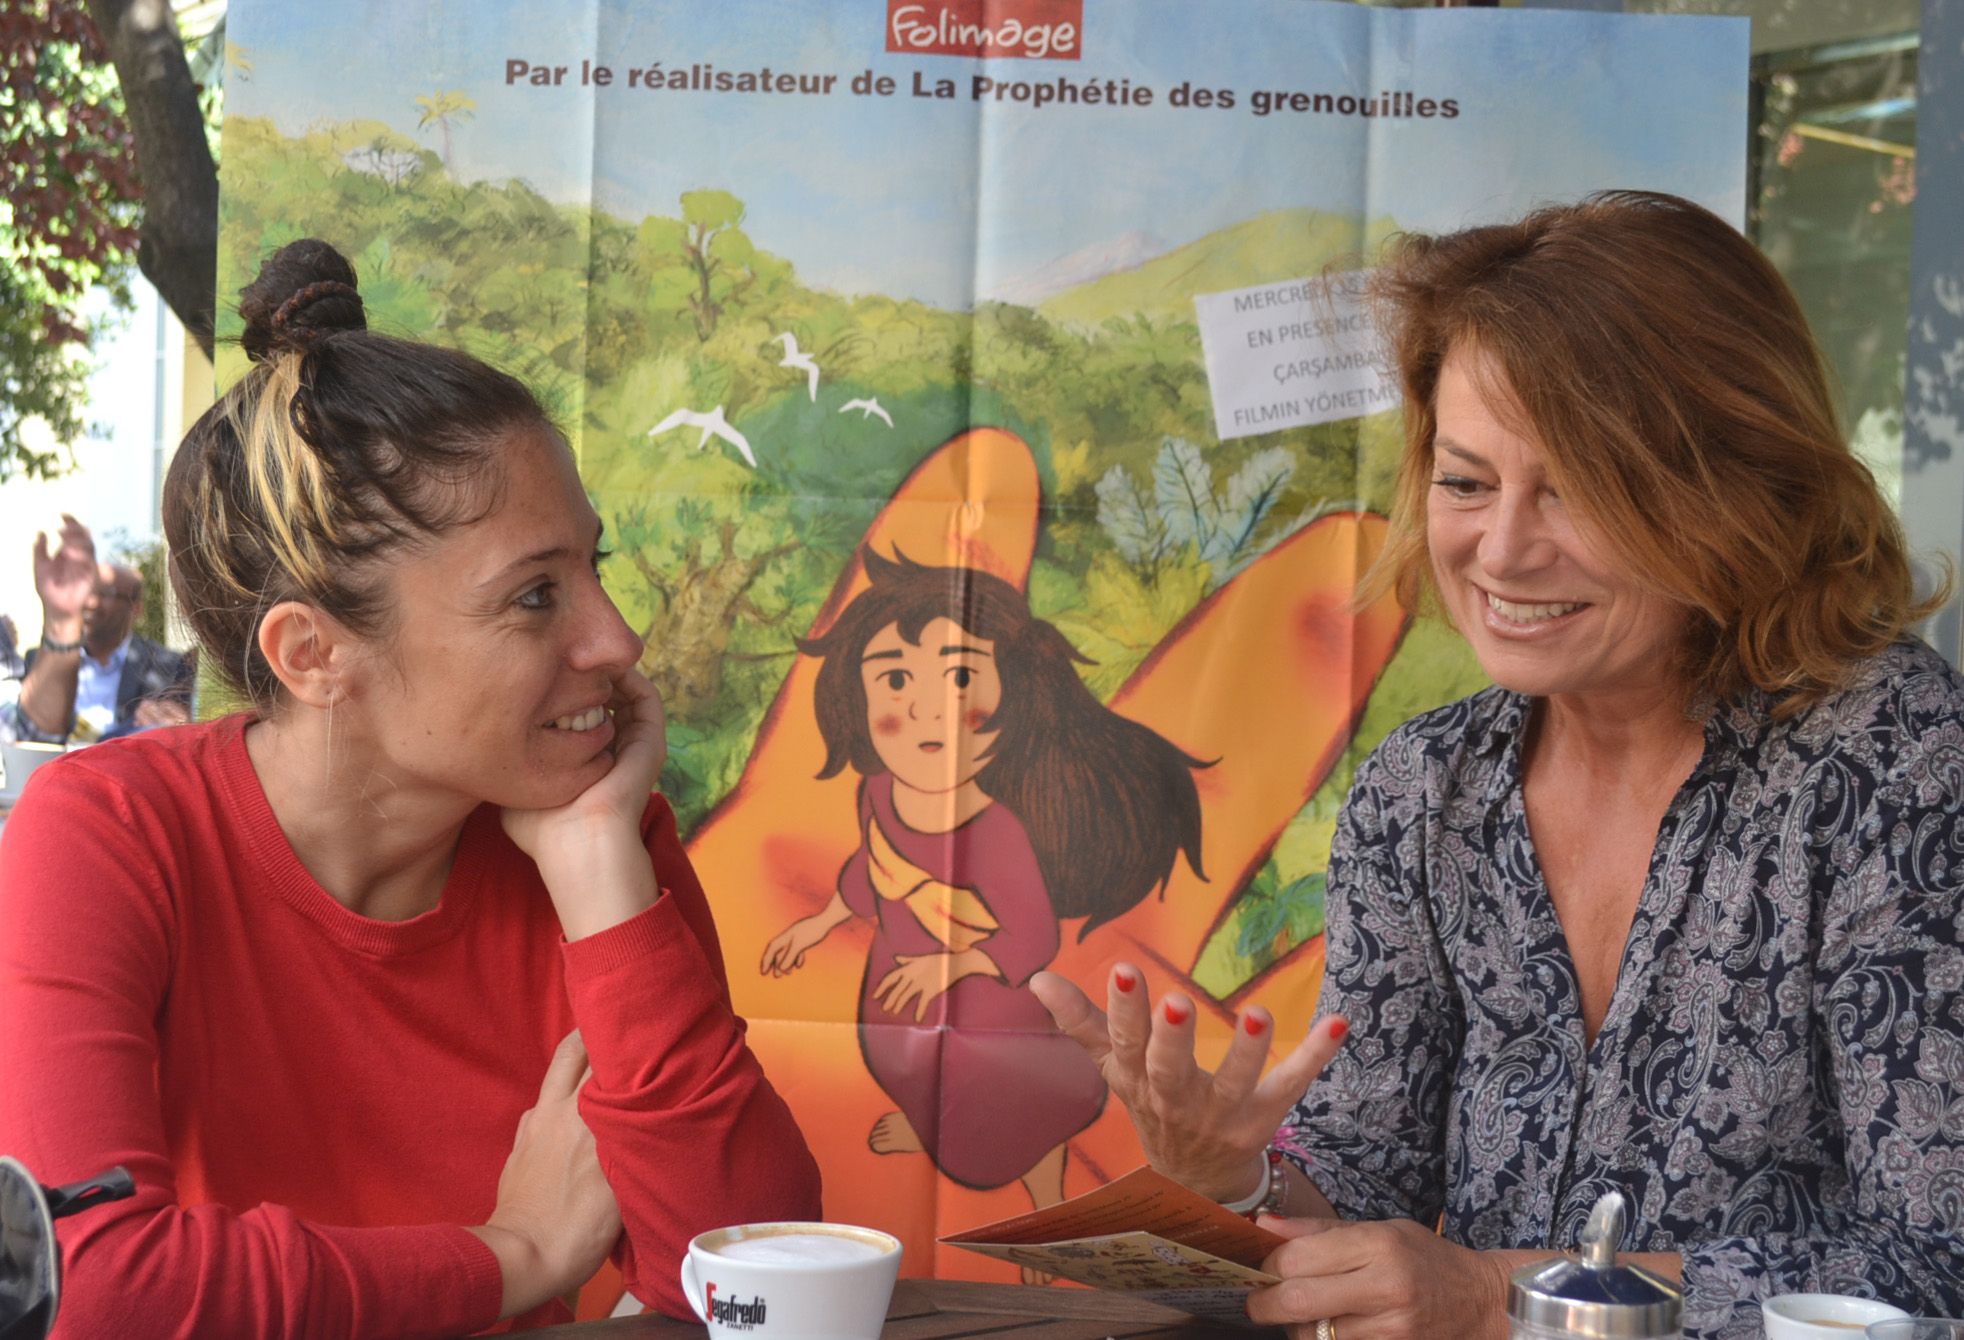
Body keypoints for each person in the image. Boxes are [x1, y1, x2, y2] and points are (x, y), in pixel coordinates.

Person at [1032, 190, 1964, 1340]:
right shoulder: (1421, 787)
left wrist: (1495, 1297)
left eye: (1575, 488)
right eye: (1466, 482)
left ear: (1738, 487)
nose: (1502, 550)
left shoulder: (1900, 763)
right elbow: (1362, 1187)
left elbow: (1932, 1260)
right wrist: (1232, 1176)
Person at [0, 239, 822, 1336]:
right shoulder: (109, 833)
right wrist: (512, 1255)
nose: (618, 641)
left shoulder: (598, 843)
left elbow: (756, 1287)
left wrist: (600, 881)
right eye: (535, 597)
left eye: (593, 567)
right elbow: (92, 1286)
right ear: (312, 655)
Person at [758, 553, 1204, 1240]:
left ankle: (1045, 1188)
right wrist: (818, 924)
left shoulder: (998, 832)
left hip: (994, 1015)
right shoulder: (876, 790)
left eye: (960, 675)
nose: (924, 706)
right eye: (895, 678)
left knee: (1011, 1110)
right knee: (910, 1071)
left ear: (1013, 697)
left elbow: (1032, 938)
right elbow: (870, 867)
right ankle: (934, 1126)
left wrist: (951, 967)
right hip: (895, 995)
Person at [9, 515, 194, 744]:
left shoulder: (168, 666)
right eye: (87, 591)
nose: (90, 602)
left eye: (105, 594)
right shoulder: (40, 661)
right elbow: (32, 736)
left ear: (135, 608)